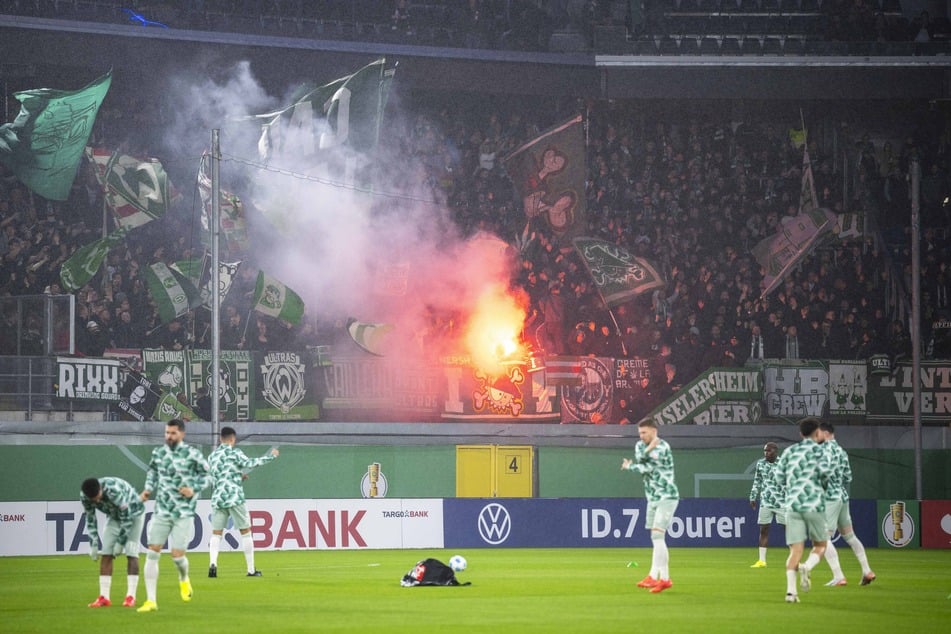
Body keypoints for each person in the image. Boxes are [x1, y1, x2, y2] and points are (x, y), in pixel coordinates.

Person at [137, 418, 210, 613]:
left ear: (182, 434)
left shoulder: (192, 454)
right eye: (167, 433)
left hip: (183, 512)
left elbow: (208, 476)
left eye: (173, 433)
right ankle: (151, 600)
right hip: (161, 510)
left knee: (177, 556)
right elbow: (152, 473)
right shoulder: (158, 453)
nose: (169, 436)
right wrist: (147, 490)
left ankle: (184, 578)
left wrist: (193, 489)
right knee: (152, 552)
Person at [207, 426, 280, 578]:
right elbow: (252, 463)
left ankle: (213, 564)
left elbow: (219, 477)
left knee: (216, 533)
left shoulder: (212, 457)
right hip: (234, 497)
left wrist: (238, 477)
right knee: (246, 532)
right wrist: (271, 456)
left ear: (221, 439)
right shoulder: (235, 453)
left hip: (218, 497)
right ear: (233, 439)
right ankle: (251, 570)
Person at [773, 416, 832, 603]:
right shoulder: (822, 453)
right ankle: (807, 566)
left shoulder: (789, 452)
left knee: (795, 551)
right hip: (814, 505)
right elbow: (826, 479)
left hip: (793, 506)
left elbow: (779, 479)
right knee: (820, 546)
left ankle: (791, 593)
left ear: (800, 433)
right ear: (818, 432)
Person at [621, 418, 679, 594]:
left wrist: (631, 466)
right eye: (639, 433)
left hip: (667, 496)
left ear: (654, 431)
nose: (641, 436)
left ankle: (660, 577)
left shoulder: (663, 447)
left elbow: (647, 467)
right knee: (656, 539)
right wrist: (641, 456)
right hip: (652, 498)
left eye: (644, 432)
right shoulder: (641, 445)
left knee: (657, 536)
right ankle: (658, 577)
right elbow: (641, 457)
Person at [818, 421, 876, 587]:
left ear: (824, 433)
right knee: (850, 536)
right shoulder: (841, 451)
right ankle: (867, 571)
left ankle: (838, 576)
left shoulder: (824, 451)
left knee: (823, 537)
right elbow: (848, 476)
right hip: (842, 495)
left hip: (830, 497)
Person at [80, 476, 146, 608]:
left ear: (100, 488)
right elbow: (90, 518)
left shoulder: (113, 490)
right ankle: (104, 597)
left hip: (133, 514)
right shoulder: (85, 496)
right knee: (106, 553)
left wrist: (120, 543)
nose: (97, 500)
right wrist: (93, 544)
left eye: (98, 496)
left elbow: (126, 517)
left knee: (131, 552)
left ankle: (130, 597)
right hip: (114, 517)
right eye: (93, 499)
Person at [748, 442, 785, 568]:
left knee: (789, 531)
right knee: (763, 530)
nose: (766, 453)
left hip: (782, 503)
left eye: (769, 451)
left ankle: (795, 559)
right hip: (766, 502)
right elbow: (757, 481)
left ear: (775, 451)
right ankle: (762, 560)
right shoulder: (761, 464)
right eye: (765, 451)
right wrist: (753, 496)